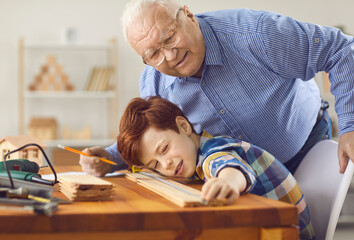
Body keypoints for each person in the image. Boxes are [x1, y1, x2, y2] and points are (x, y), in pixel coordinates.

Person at [80, 0, 354, 178]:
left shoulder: (256, 34)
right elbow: (153, 136)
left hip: (306, 146)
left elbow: (340, 50)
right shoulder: (154, 81)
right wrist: (109, 158)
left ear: (188, 15)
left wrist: (352, 126)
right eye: (152, 54)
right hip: (239, 172)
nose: (168, 56)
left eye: (169, 37)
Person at [117, 96, 315, 239]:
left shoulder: (214, 150)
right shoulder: (193, 158)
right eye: (155, 164)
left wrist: (227, 182)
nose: (166, 163)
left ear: (183, 127)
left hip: (287, 233)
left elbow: (227, 166)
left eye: (165, 149)